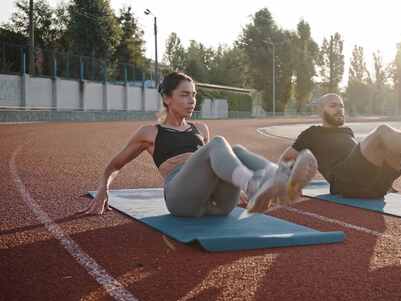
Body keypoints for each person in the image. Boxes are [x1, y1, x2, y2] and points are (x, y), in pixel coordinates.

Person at [81, 72, 317, 216]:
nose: (192, 100)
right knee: (218, 144)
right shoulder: (150, 133)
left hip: (217, 205)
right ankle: (255, 184)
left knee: (236, 151)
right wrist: (103, 188)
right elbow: (115, 165)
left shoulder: (201, 129)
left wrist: (234, 183)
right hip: (180, 199)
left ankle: (283, 180)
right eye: (184, 94)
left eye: (194, 95)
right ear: (167, 98)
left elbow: (217, 165)